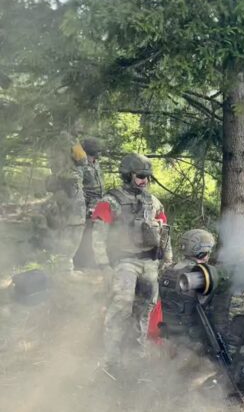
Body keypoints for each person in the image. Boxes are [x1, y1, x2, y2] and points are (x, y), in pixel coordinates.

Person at [91, 153, 172, 371]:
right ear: (128, 175)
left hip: (149, 263)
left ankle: (137, 355)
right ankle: (111, 360)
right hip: (124, 261)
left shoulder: (153, 202)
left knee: (144, 310)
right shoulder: (111, 201)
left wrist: (167, 259)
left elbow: (164, 231)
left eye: (147, 176)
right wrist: (104, 266)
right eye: (140, 175)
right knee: (121, 307)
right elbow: (98, 236)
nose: (145, 180)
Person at [158, 228, 216, 352]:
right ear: (202, 252)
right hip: (189, 339)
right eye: (208, 250)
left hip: (167, 332)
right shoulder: (200, 275)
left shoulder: (169, 269)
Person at [36, 136, 88, 273]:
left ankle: (55, 266)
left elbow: (53, 165)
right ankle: (65, 269)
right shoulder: (70, 142)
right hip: (71, 191)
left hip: (59, 190)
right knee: (74, 229)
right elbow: (83, 160)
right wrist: (74, 141)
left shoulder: (51, 142)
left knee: (59, 227)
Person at [73, 137, 105, 270]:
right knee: (86, 234)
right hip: (88, 205)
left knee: (100, 233)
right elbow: (78, 187)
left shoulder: (96, 164)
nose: (98, 154)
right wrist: (85, 207)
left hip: (100, 203)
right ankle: (81, 263)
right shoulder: (82, 166)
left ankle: (96, 261)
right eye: (96, 151)